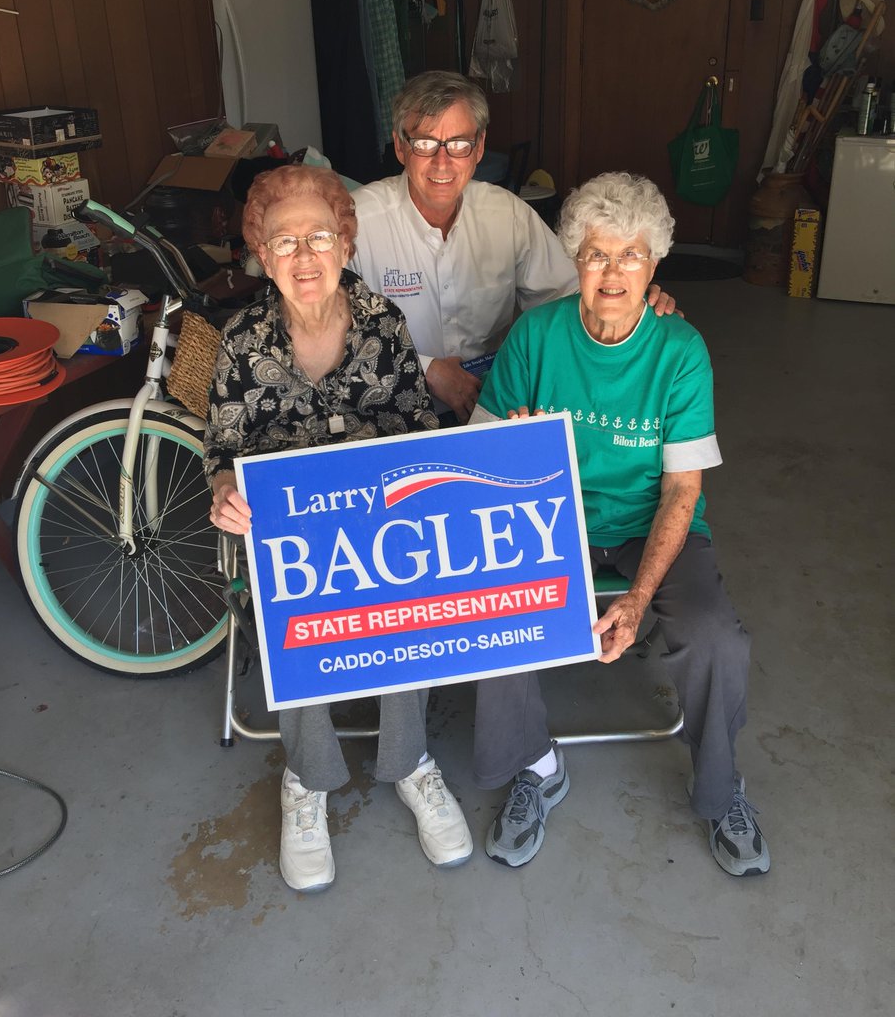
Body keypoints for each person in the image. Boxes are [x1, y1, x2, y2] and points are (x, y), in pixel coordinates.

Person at [468, 172, 770, 878]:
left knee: (716, 635)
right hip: (551, 516)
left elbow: (681, 492)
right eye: (596, 254)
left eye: (630, 255)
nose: (612, 272)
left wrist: (635, 598)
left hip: (650, 522)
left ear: (654, 263)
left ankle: (722, 788)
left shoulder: (680, 351)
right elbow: (478, 459)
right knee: (491, 612)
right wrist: (514, 447)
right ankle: (536, 768)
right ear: (574, 260)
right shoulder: (537, 335)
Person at [204, 164, 473, 894]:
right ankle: (308, 777)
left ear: (345, 245)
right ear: (261, 254)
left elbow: (419, 430)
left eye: (318, 236)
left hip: (378, 537)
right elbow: (222, 454)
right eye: (282, 241)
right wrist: (226, 489)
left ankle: (411, 762)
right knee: (286, 599)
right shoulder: (240, 343)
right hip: (291, 547)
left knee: (405, 583)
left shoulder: (383, 323)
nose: (303, 256)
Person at [351, 71, 676, 422]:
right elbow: (325, 333)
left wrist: (632, 298)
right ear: (400, 146)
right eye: (425, 143)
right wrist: (427, 369)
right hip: (389, 407)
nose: (442, 162)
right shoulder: (358, 223)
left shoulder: (507, 214)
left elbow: (571, 296)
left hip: (495, 398)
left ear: (479, 147)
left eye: (459, 144)